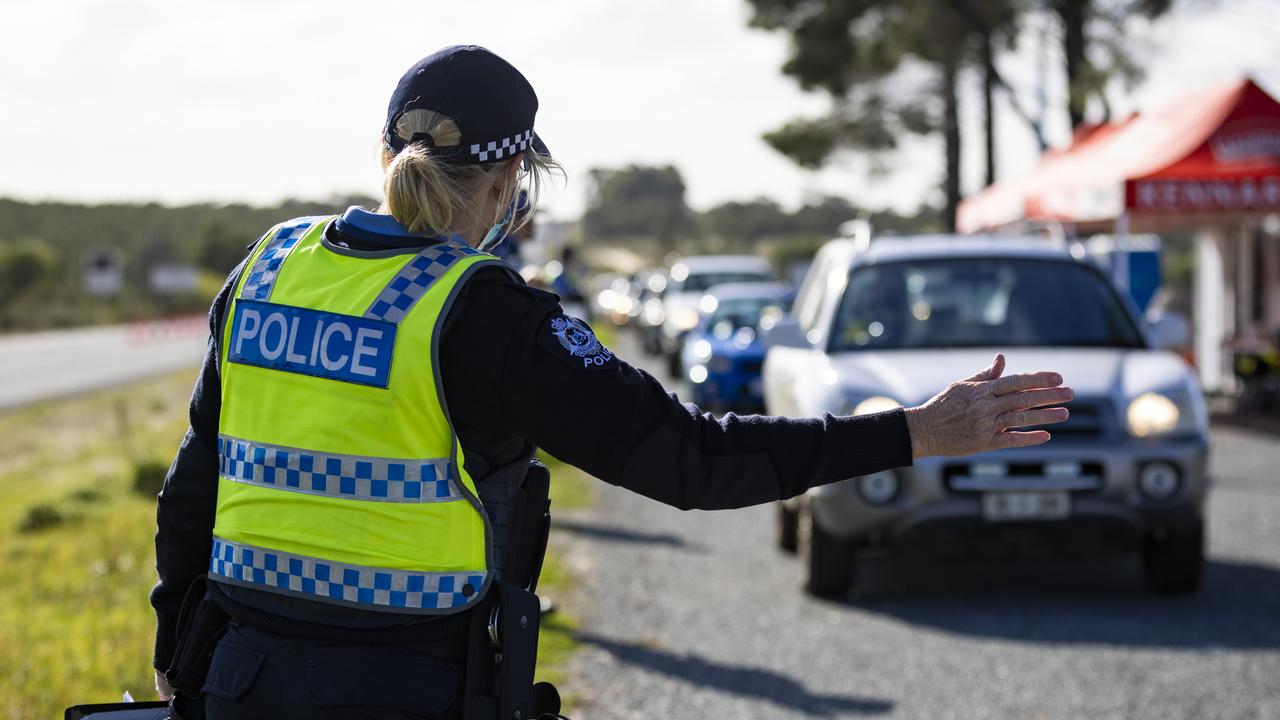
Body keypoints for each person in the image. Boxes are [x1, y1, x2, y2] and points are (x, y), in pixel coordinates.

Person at [150, 45, 1073, 720]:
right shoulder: (492, 316)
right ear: (513, 177)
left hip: (240, 677)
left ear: (386, 158)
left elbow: (195, 483)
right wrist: (914, 433)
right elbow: (697, 463)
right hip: (411, 688)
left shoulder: (269, 268)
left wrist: (174, 651)